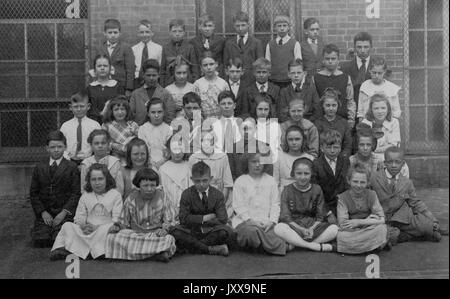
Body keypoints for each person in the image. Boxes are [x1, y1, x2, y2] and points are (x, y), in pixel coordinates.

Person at [370, 147, 445, 244]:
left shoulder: (407, 182)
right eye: (390, 162)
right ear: (385, 163)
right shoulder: (374, 178)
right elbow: (367, 197)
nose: (393, 165)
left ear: (403, 163)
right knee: (386, 236)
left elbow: (416, 203)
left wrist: (432, 219)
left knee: (426, 226)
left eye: (397, 162)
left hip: (402, 216)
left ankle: (424, 231)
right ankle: (408, 236)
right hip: (382, 217)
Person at [50, 164, 123, 260]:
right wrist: (83, 226)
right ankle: (59, 249)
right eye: (93, 179)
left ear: (107, 179)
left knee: (110, 228)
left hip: (104, 230)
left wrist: (98, 227)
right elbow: (79, 217)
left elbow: (117, 219)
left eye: (100, 179)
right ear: (89, 181)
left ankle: (82, 250)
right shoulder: (85, 196)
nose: (97, 183)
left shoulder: (115, 195)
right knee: (67, 225)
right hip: (87, 231)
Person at [106, 168, 177, 262]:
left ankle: (137, 254)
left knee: (168, 239)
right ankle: (155, 254)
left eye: (153, 185)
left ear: (156, 185)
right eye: (145, 185)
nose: (149, 189)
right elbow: (124, 222)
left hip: (155, 235)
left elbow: (170, 219)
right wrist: (117, 227)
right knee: (112, 237)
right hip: (135, 235)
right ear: (138, 185)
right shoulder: (130, 199)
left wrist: (164, 229)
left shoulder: (163, 197)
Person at [169, 161, 235, 256]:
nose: (201, 184)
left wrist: (197, 221)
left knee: (224, 232)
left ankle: (192, 247)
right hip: (191, 231)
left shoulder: (218, 194)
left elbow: (222, 218)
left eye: (205, 180)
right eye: (197, 181)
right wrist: (204, 218)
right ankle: (210, 249)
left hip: (211, 231)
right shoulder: (186, 194)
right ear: (192, 179)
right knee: (175, 232)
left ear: (211, 179)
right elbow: (183, 219)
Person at [274, 157, 339, 252]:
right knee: (279, 228)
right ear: (293, 174)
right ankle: (313, 246)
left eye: (306, 173)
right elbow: (285, 216)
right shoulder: (287, 190)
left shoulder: (317, 189)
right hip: (294, 227)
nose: (303, 177)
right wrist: (300, 229)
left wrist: (312, 228)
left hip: (313, 227)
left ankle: (297, 244)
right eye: (299, 173)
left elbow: (320, 215)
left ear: (311, 174)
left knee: (334, 229)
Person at [30, 131, 81, 248]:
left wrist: (63, 213)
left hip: (63, 213)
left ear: (65, 147)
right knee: (41, 240)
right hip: (46, 213)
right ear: (47, 148)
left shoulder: (71, 167)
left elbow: (75, 193)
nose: (56, 150)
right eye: (52, 147)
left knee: (59, 238)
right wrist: (43, 212)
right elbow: (33, 193)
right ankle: (41, 228)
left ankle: (58, 230)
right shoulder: (39, 167)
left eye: (60, 146)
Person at [232, 152, 287, 255]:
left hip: (266, 223)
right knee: (250, 232)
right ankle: (274, 246)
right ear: (247, 163)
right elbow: (238, 206)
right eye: (253, 162)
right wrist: (251, 221)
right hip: (246, 222)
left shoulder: (271, 181)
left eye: (260, 162)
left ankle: (261, 245)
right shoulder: (240, 181)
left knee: (280, 231)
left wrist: (271, 222)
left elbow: (276, 204)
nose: (257, 165)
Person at [336, 164, 390, 254]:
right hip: (352, 231)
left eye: (362, 182)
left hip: (368, 227)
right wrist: (369, 221)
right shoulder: (342, 198)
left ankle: (356, 248)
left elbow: (382, 219)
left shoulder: (372, 194)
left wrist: (360, 222)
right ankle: (372, 246)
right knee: (341, 235)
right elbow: (343, 224)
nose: (359, 185)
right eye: (355, 181)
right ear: (348, 181)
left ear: (368, 182)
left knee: (382, 229)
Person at [189, 128, 233, 216]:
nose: (206, 143)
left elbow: (227, 184)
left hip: (220, 196)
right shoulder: (194, 158)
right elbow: (192, 185)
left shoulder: (222, 157)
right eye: (203, 140)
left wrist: (219, 204)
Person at [313, 44, 356, 128]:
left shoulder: (345, 78)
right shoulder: (315, 78)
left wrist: (351, 119)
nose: (330, 61)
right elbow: (314, 102)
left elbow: (350, 100)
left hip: (342, 120)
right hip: (321, 121)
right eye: (327, 58)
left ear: (338, 60)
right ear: (323, 60)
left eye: (333, 59)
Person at [312, 130, 350, 224]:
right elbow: (316, 193)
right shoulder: (316, 164)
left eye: (336, 147)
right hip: (325, 206)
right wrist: (328, 213)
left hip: (344, 204)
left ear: (340, 147)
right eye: (328, 147)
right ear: (321, 148)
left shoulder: (345, 161)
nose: (332, 150)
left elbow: (348, 185)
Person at [130, 59, 177, 126]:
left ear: (158, 75)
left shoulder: (165, 93)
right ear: (143, 75)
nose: (151, 78)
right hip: (140, 131)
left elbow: (170, 115)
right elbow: (131, 115)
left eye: (154, 75)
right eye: (148, 75)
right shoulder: (135, 94)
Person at [60, 91, 101, 166]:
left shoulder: (95, 125)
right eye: (75, 106)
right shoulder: (65, 126)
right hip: (69, 161)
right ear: (70, 107)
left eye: (82, 106)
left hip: (89, 161)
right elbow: (61, 144)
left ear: (88, 106)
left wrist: (91, 160)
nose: (79, 109)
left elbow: (98, 144)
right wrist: (67, 159)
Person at [95, 19, 135, 96]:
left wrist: (129, 89)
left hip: (120, 86)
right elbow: (95, 68)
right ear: (105, 33)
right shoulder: (100, 48)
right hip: (103, 84)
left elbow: (130, 70)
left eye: (115, 32)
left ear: (120, 33)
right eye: (110, 32)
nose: (113, 35)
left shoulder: (126, 48)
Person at [223, 11, 264, 82]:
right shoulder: (229, 43)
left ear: (248, 25)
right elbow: (225, 64)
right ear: (234, 26)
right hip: (234, 79)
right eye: (237, 26)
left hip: (251, 80)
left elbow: (260, 65)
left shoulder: (256, 43)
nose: (240, 28)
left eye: (243, 25)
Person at [80, 130, 124, 195]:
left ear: (108, 144)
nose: (100, 146)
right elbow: (84, 189)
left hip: (112, 200)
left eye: (103, 143)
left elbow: (119, 189)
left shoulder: (115, 162)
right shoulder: (86, 164)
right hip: (92, 201)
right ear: (91, 145)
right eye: (96, 143)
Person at [159, 135, 193, 220]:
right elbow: (162, 192)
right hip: (168, 211)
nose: (177, 153)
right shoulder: (163, 169)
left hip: (186, 210)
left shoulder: (189, 167)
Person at [358, 56, 401, 121]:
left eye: (380, 73)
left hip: (387, 125)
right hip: (369, 123)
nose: (377, 76)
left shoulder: (391, 88)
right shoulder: (365, 86)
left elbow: (396, 112)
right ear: (370, 71)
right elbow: (360, 111)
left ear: (384, 72)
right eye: (374, 72)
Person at [265, 15, 302, 90]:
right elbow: (267, 63)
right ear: (275, 28)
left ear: (289, 27)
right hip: (273, 81)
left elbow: (298, 63)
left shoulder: (295, 43)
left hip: (289, 81)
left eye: (284, 25)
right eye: (279, 26)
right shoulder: (270, 44)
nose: (282, 28)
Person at [274, 125, 315, 193]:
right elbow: (275, 183)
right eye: (290, 139)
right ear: (286, 141)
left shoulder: (310, 158)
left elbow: (313, 185)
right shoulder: (279, 158)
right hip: (283, 195)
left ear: (303, 140)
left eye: (297, 139)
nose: (294, 142)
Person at [313, 88, 353, 158]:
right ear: (323, 105)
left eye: (334, 105)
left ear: (338, 105)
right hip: (323, 158)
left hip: (341, 158)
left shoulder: (344, 123)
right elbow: (316, 145)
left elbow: (348, 145)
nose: (331, 108)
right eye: (328, 105)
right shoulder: (317, 123)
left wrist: (342, 158)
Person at [361, 93, 401, 161]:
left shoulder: (394, 122)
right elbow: (364, 147)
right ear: (371, 110)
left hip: (388, 156)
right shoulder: (365, 123)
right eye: (376, 108)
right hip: (369, 157)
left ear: (388, 109)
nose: (380, 111)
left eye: (383, 108)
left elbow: (394, 146)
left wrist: (374, 149)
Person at [161, 19, 199, 87]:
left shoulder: (190, 47)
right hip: (170, 83)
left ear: (184, 32)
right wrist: (163, 86)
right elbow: (162, 70)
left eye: (180, 31)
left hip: (187, 82)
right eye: (174, 31)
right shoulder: (165, 48)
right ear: (170, 32)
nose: (177, 34)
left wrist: (194, 85)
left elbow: (194, 69)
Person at [102, 96, 139, 164]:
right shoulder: (107, 125)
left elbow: (139, 141)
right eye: (116, 109)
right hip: (114, 158)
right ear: (111, 111)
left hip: (132, 158)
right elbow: (104, 142)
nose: (120, 112)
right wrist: (114, 145)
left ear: (127, 110)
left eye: (122, 109)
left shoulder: (133, 125)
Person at [138, 98, 173, 170]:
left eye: (159, 112)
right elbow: (143, 149)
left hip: (165, 164)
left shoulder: (169, 129)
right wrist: (150, 162)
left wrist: (162, 162)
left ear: (164, 113)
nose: (156, 115)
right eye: (153, 112)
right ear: (148, 113)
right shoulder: (142, 129)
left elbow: (169, 149)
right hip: (147, 164)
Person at [341, 32, 373, 111]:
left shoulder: (377, 66)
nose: (362, 50)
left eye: (366, 47)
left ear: (371, 47)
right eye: (359, 47)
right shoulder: (345, 68)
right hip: (352, 110)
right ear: (354, 48)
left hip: (372, 110)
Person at [193, 52, 230, 119]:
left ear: (216, 64)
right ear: (201, 67)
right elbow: (195, 107)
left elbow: (228, 105)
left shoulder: (223, 84)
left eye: (211, 64)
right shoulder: (197, 84)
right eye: (205, 65)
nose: (209, 67)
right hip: (203, 122)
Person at [86, 54, 119, 124]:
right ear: (94, 69)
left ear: (110, 68)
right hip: (94, 123)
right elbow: (89, 109)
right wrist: (101, 114)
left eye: (105, 66)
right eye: (99, 66)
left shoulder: (117, 86)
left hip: (114, 124)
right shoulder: (90, 88)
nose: (102, 68)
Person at [132, 20, 163, 89]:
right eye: (142, 32)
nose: (144, 34)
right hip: (137, 80)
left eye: (147, 32)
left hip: (153, 80)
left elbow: (161, 66)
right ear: (138, 34)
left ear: (152, 33)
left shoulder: (159, 48)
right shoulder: (133, 49)